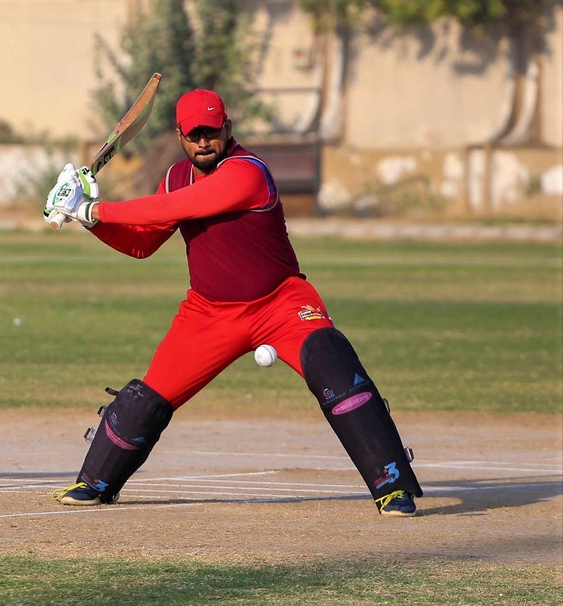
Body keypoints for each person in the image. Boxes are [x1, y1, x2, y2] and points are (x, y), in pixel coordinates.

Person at [42, 88, 422, 517]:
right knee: (149, 395)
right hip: (209, 313)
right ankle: (95, 482)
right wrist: (87, 220)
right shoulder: (175, 177)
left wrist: (93, 209)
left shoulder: (248, 172)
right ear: (181, 136)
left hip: (281, 304)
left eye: (212, 131)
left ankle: (392, 485)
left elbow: (182, 206)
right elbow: (141, 244)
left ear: (228, 128)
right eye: (194, 135)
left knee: (331, 362)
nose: (204, 142)